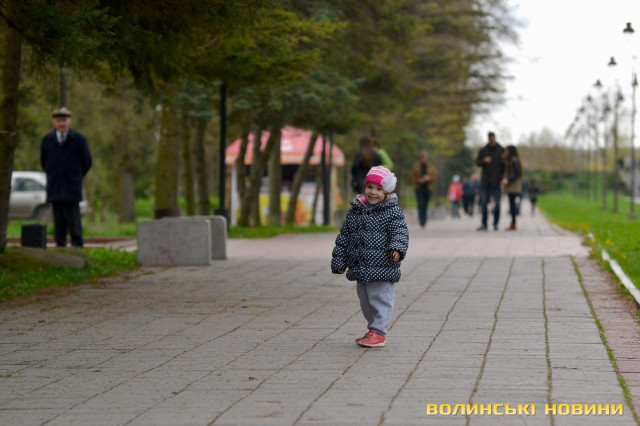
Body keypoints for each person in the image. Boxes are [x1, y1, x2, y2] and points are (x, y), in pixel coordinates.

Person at [331, 166, 409, 348]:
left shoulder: (392, 211)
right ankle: (373, 329)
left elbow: (400, 232)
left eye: (378, 189)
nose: (373, 192)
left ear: (386, 192)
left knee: (380, 299)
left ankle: (379, 332)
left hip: (383, 265)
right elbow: (344, 237)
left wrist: (397, 248)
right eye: (369, 187)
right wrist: (339, 261)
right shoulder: (356, 210)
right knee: (366, 302)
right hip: (361, 266)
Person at [40, 107, 92, 247]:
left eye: (64, 120)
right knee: (58, 218)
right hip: (55, 186)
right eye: (58, 120)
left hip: (72, 186)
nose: (61, 123)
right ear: (54, 122)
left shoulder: (79, 139)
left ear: (69, 121)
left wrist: (76, 176)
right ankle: (60, 244)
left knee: (74, 217)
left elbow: (86, 162)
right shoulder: (47, 140)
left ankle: (77, 245)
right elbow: (44, 161)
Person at [475, 131, 505, 231]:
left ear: (495, 138)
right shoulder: (483, 150)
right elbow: (477, 162)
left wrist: (503, 177)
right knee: (484, 203)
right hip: (485, 181)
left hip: (497, 181)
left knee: (497, 204)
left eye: (493, 139)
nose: (492, 141)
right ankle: (484, 224)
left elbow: (505, 165)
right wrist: (484, 160)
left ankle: (495, 224)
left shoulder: (501, 150)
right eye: (490, 139)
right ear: (488, 139)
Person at [411, 151, 438, 228]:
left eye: (425, 157)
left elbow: (435, 176)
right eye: (422, 157)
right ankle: (421, 219)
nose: (424, 159)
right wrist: (418, 180)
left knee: (425, 204)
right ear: (420, 158)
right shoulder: (416, 166)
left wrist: (429, 178)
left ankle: (425, 219)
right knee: (420, 204)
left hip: (427, 188)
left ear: (427, 158)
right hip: (419, 188)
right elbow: (413, 177)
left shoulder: (431, 167)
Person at [501, 145, 523, 230]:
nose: (505, 152)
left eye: (506, 151)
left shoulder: (514, 160)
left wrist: (508, 180)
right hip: (511, 185)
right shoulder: (510, 160)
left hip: (513, 186)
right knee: (512, 204)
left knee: (512, 204)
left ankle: (513, 223)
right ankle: (513, 223)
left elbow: (517, 173)